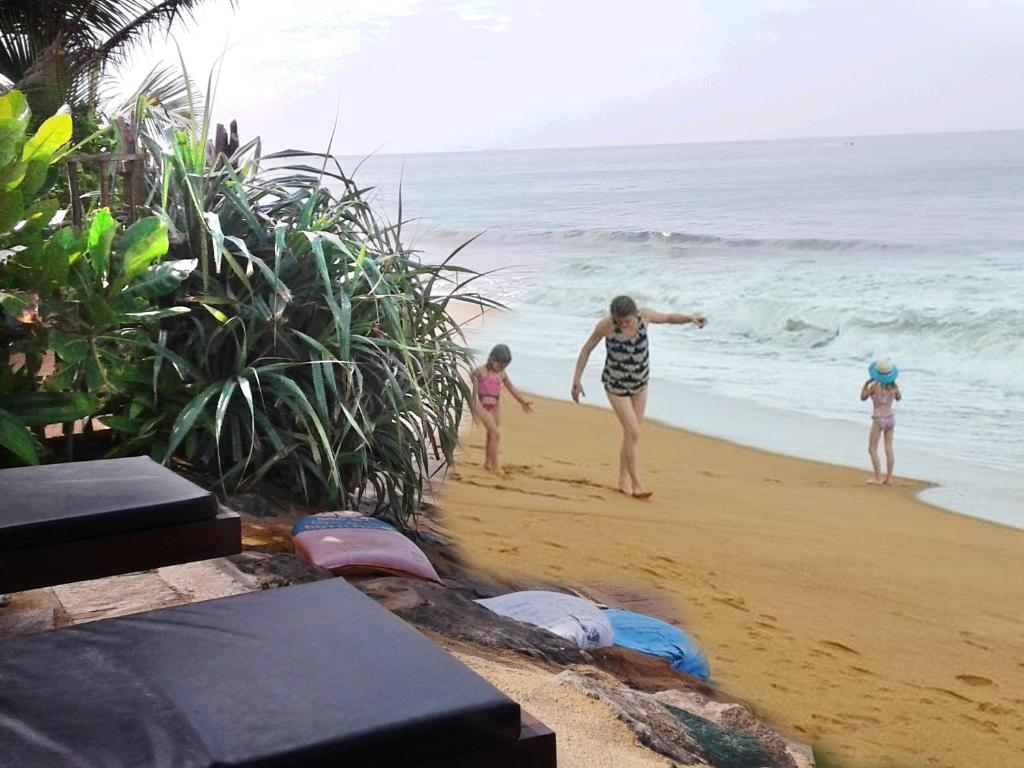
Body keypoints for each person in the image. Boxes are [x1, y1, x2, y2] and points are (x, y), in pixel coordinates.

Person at [571, 295, 706, 498]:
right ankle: (637, 484)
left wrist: (690, 319)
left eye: (627, 320)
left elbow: (668, 318)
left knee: (631, 435)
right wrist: (577, 379)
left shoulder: (645, 316)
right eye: (620, 321)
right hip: (616, 386)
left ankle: (622, 479)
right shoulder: (606, 326)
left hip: (640, 385)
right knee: (633, 431)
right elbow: (587, 349)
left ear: (635, 314)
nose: (624, 325)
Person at [471, 344, 534, 474]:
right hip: (481, 405)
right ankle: (495, 467)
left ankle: (488, 462)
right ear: (492, 359)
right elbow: (471, 390)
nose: (502, 368)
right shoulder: (480, 372)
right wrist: (474, 406)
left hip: (495, 406)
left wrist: (523, 402)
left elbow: (511, 388)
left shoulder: (502, 374)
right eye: (499, 365)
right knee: (495, 433)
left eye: (504, 366)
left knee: (491, 435)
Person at [860, 359, 902, 485]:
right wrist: (895, 386)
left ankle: (878, 477)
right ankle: (889, 478)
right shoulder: (894, 386)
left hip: (879, 419)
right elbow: (899, 398)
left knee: (872, 448)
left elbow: (863, 397)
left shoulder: (874, 386)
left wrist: (866, 384)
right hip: (890, 418)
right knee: (889, 448)